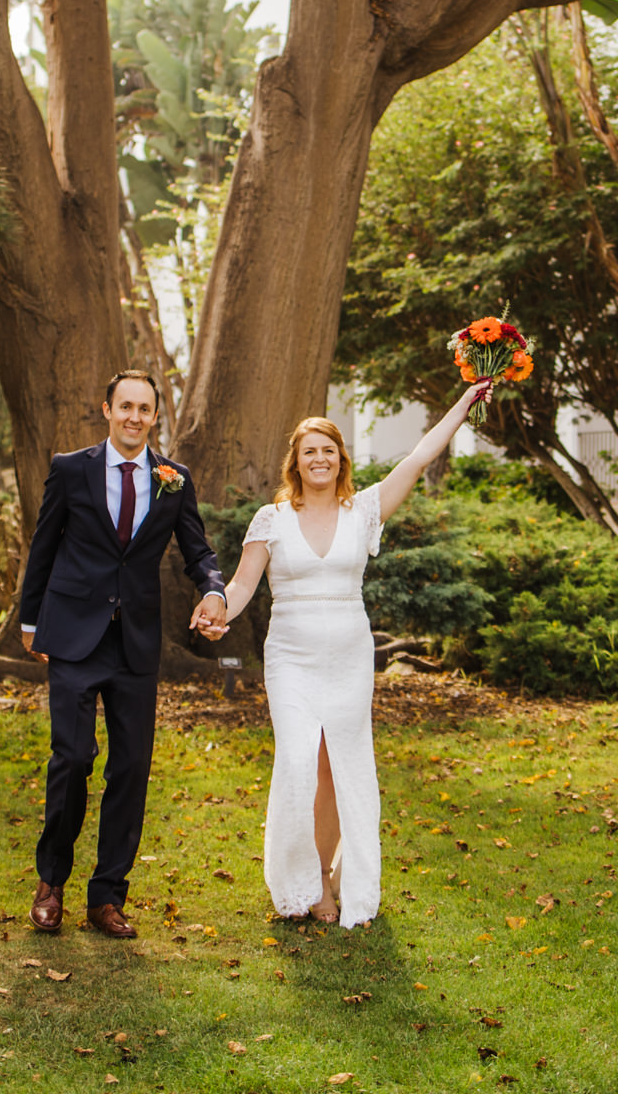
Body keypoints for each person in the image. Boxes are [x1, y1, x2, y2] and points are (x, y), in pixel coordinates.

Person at [200, 381, 489, 926]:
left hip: (349, 656)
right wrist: (218, 612)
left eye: (328, 450)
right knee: (297, 764)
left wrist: (466, 402)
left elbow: (421, 453)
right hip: (290, 657)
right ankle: (299, 877)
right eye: (309, 450)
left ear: (341, 460)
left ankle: (327, 881)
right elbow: (240, 588)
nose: (320, 458)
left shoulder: (366, 510)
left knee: (337, 770)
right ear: (296, 462)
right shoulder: (271, 519)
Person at [19, 369, 227, 938]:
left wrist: (214, 588)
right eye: (126, 406)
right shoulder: (70, 469)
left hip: (135, 641)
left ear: (156, 417)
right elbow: (43, 546)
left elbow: (198, 551)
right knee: (72, 758)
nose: (135, 416)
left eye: (145, 409)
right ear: (106, 410)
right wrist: (30, 620)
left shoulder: (173, 479)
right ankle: (51, 883)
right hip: (73, 636)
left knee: (131, 768)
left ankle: (107, 896)